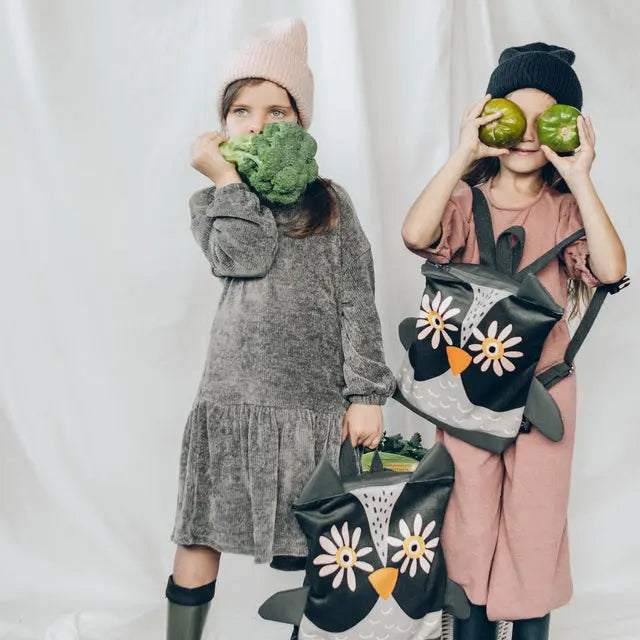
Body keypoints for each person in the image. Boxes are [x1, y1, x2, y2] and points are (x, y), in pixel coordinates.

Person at [165, 18, 396, 640]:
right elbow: (242, 257)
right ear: (223, 123)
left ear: (302, 122)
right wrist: (224, 180)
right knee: (199, 532)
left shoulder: (331, 203)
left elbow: (357, 299)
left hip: (313, 406)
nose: (259, 123)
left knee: (328, 542)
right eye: (241, 109)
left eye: (278, 110)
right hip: (233, 400)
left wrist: (367, 394)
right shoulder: (215, 200)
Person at [401, 43, 626, 640]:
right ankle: (468, 627)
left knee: (534, 523)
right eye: (513, 116)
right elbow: (415, 234)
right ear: (489, 114)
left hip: (544, 394)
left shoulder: (564, 208)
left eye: (545, 120)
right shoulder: (463, 199)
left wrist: (580, 177)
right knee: (467, 520)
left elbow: (609, 270)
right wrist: (463, 153)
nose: (527, 135)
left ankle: (526, 628)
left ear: (569, 127)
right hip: (467, 392)